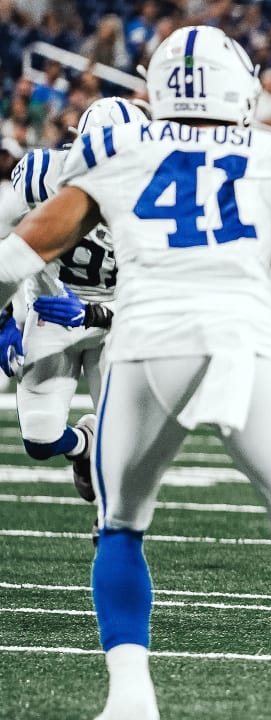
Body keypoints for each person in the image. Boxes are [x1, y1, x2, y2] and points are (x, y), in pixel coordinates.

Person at [0, 26, 271, 719]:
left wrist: (8, 318)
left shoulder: (115, 151)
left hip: (145, 344)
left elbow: (18, 253)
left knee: (120, 527)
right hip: (246, 343)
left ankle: (131, 695)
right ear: (240, 87)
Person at [0, 97, 147, 505]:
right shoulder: (42, 178)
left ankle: (110, 524)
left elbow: (164, 289)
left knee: (125, 447)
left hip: (120, 318)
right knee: (39, 438)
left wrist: (98, 313)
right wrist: (5, 317)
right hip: (53, 312)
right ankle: (83, 447)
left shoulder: (161, 196)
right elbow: (2, 245)